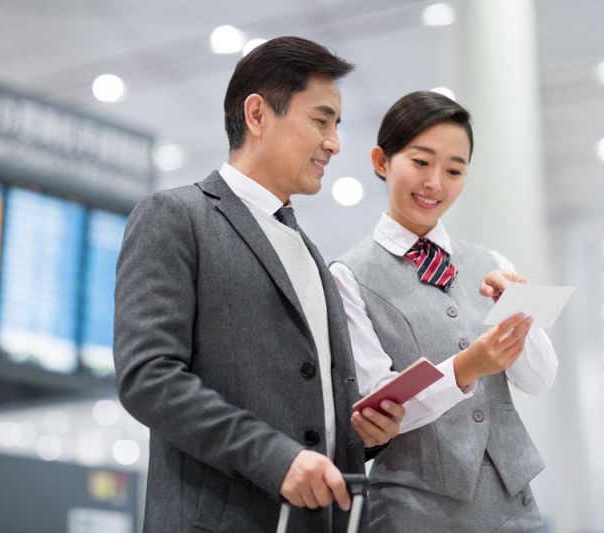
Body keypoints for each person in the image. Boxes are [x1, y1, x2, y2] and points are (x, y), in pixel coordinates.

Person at [113, 36, 404, 533]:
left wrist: (368, 435)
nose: (334, 142)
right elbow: (149, 377)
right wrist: (275, 458)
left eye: (337, 125)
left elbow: (312, 409)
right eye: (321, 119)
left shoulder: (310, 253)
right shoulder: (176, 217)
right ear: (257, 114)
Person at [329, 91, 558, 532]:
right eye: (420, 162)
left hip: (514, 507)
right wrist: (467, 367)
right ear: (381, 161)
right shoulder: (347, 276)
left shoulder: (493, 262)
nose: (435, 182)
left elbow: (540, 378)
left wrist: (519, 316)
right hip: (413, 511)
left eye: (454, 170)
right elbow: (381, 405)